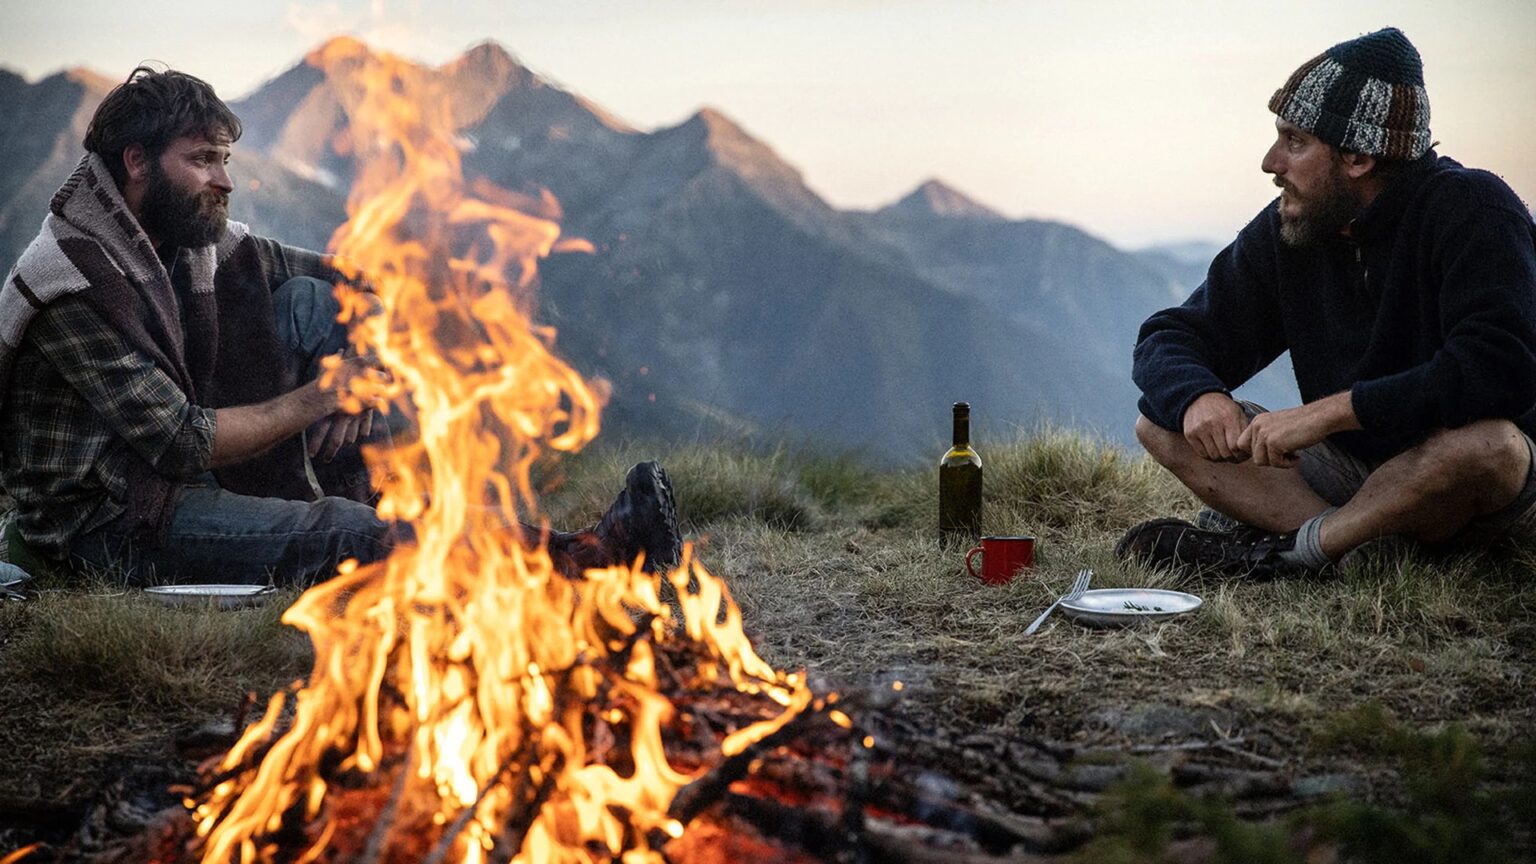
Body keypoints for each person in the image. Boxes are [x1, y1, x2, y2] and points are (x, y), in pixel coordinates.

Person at [0, 66, 679, 586]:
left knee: (309, 302)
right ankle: (578, 557)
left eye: (226, 161)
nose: (225, 181)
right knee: (338, 535)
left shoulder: (181, 241)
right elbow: (181, 440)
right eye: (202, 160)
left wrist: (401, 326)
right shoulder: (76, 283)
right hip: (112, 519)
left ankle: (372, 493)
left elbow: (342, 276)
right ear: (138, 163)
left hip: (175, 472)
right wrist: (322, 397)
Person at [1118, 27, 1536, 577]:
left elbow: (1498, 369)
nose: (1271, 163)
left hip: (1473, 487)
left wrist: (1331, 413)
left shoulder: (1474, 210)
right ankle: (1351, 554)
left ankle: (1292, 553)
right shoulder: (1292, 231)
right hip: (1353, 475)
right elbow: (1171, 336)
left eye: (1294, 142)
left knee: (1489, 446)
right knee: (1162, 420)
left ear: (1359, 157)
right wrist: (1198, 396)